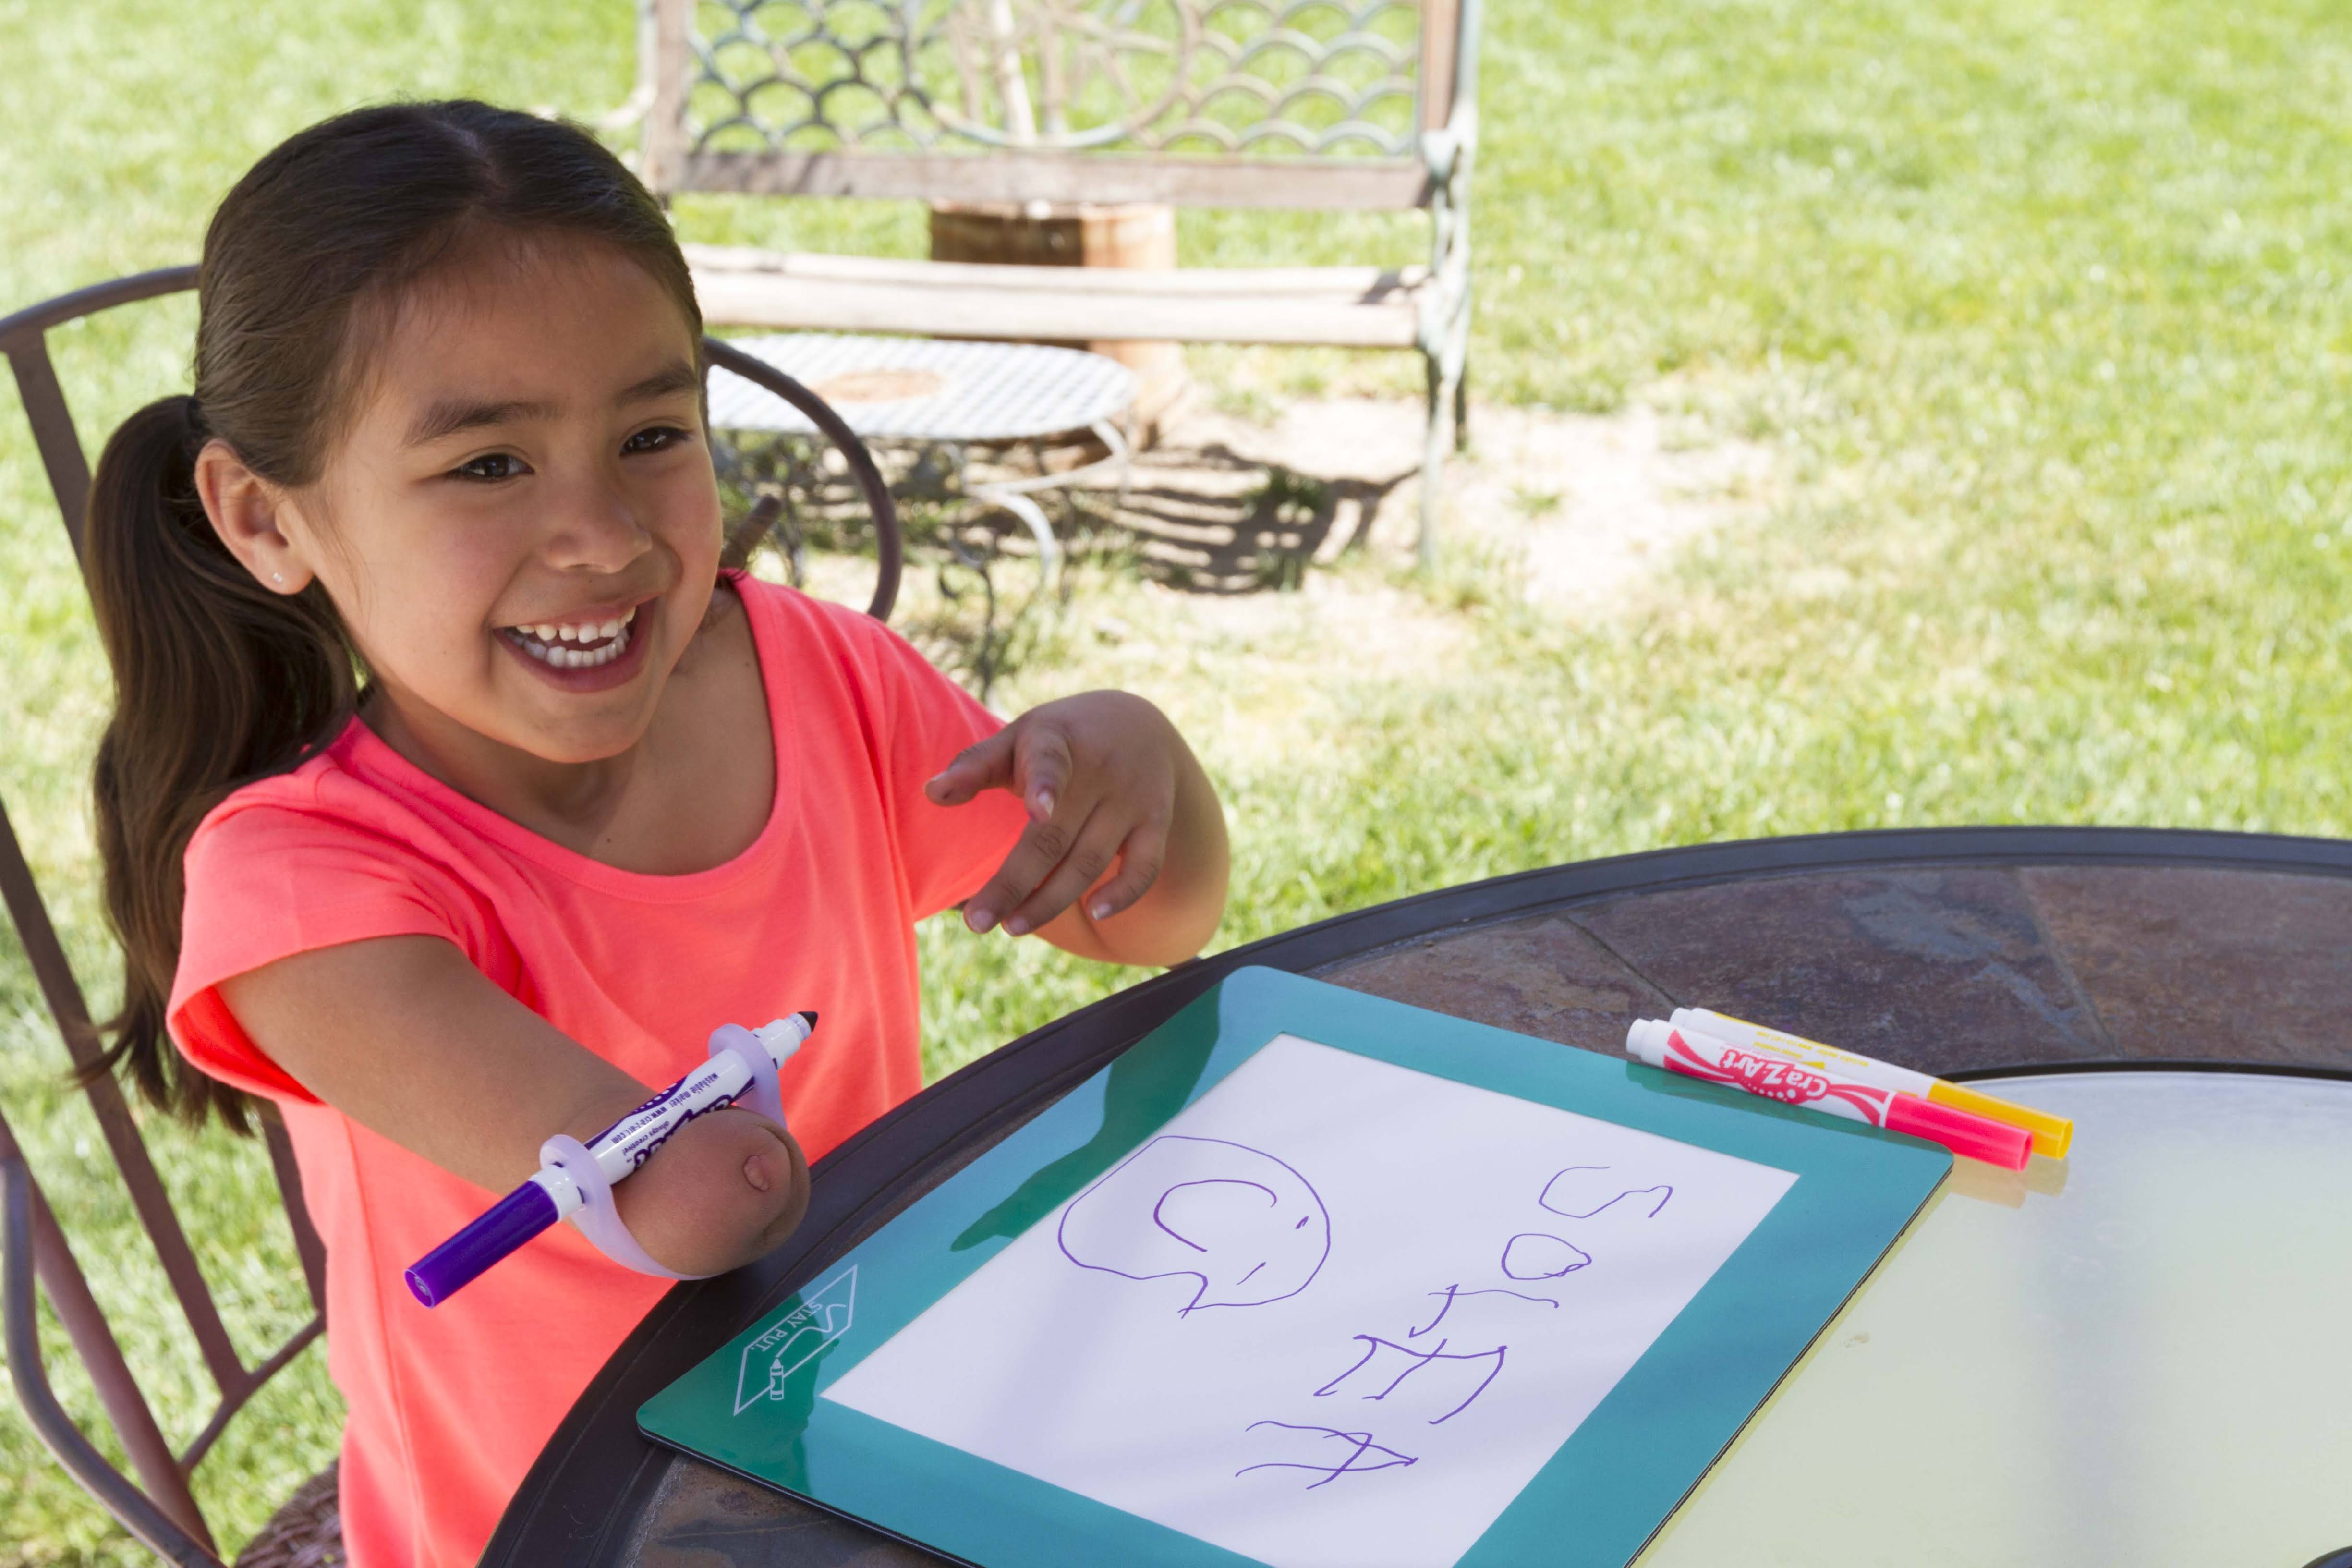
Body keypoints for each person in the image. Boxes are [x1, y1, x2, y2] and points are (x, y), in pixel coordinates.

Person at [81, 99, 1228, 1568]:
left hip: (862, 1450)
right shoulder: (301, 892)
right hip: (559, 1530)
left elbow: (1149, 919)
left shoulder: (816, 678)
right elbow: (698, 1205)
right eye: (489, 465)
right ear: (265, 517)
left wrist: (1145, 760)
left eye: (650, 434)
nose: (608, 537)